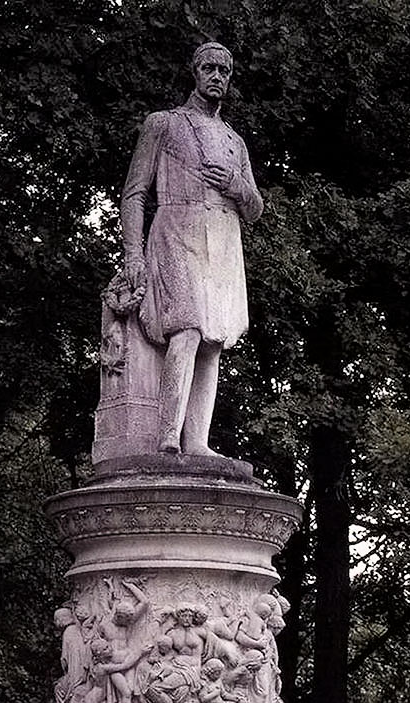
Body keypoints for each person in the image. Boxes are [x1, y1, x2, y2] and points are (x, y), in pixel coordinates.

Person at [121, 42, 263, 455]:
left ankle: (197, 442)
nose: (217, 76)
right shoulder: (163, 124)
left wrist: (235, 185)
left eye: (224, 70)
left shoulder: (235, 142)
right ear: (195, 72)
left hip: (222, 240)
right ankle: (168, 435)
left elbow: (254, 208)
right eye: (209, 68)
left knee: (213, 341)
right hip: (175, 230)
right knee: (187, 329)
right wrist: (133, 252)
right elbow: (134, 193)